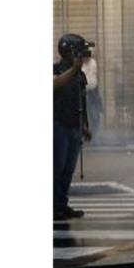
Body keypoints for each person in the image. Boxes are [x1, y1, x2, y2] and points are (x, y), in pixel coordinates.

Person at [53, 34, 93, 220]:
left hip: (74, 126)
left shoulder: (81, 74)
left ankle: (62, 204)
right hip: (58, 124)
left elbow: (82, 100)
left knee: (68, 169)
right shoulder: (55, 69)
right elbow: (54, 84)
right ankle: (53, 206)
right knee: (57, 167)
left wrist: (85, 124)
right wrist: (74, 69)